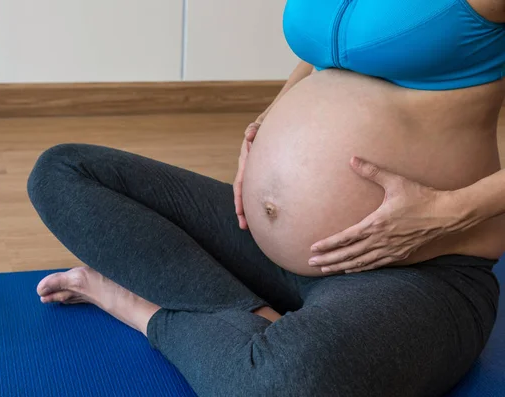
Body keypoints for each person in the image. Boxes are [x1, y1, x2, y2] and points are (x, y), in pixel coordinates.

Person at [27, 1, 505, 396]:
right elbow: (333, 49)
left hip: (416, 267)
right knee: (62, 173)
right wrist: (269, 120)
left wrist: (444, 214)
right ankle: (250, 316)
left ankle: (140, 307)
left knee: (284, 383)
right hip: (264, 245)